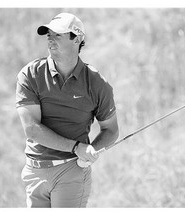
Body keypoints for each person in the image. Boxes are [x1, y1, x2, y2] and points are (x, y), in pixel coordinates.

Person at [15, 12, 119, 208]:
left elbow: (111, 129)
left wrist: (91, 150)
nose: (50, 40)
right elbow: (32, 129)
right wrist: (75, 147)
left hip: (71, 171)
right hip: (34, 171)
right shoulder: (30, 74)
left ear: (77, 39)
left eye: (57, 35)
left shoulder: (96, 84)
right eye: (49, 35)